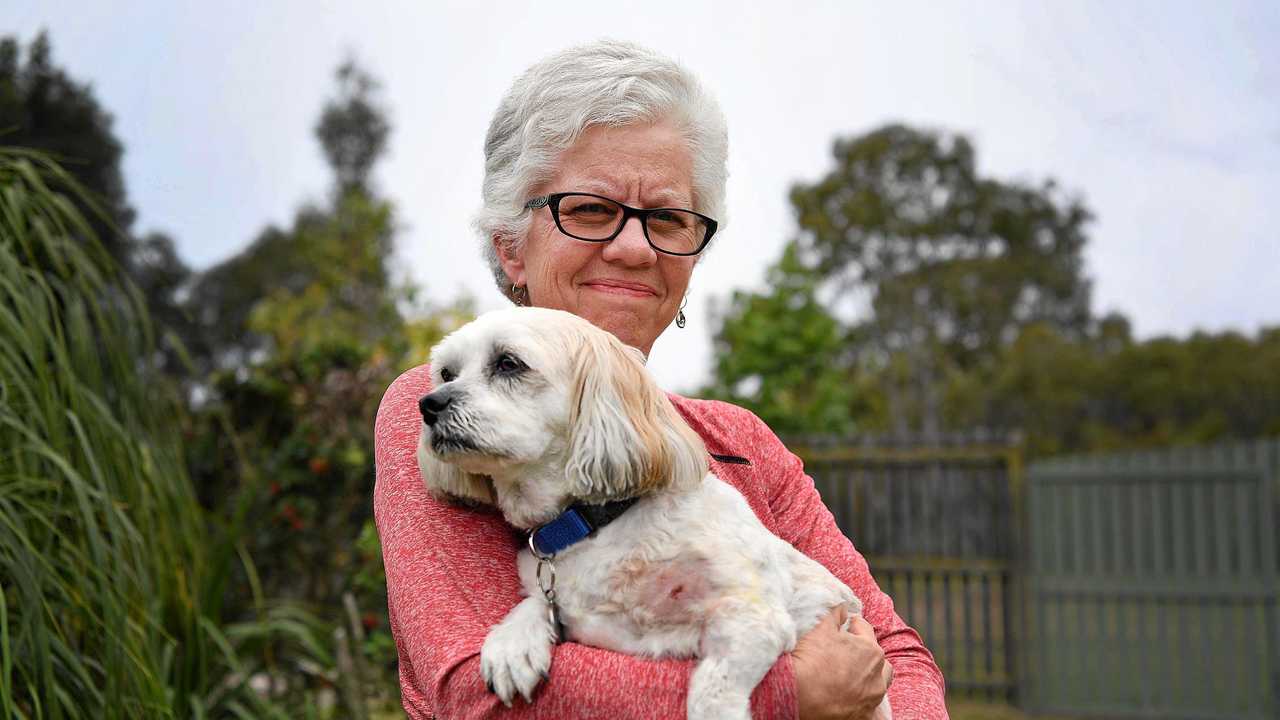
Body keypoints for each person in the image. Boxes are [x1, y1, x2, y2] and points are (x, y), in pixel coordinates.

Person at [374, 40, 948, 719]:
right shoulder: (440, 410)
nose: (633, 247)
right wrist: (791, 695)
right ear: (510, 244)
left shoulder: (739, 442)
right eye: (589, 210)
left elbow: (896, 661)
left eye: (669, 219)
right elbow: (477, 691)